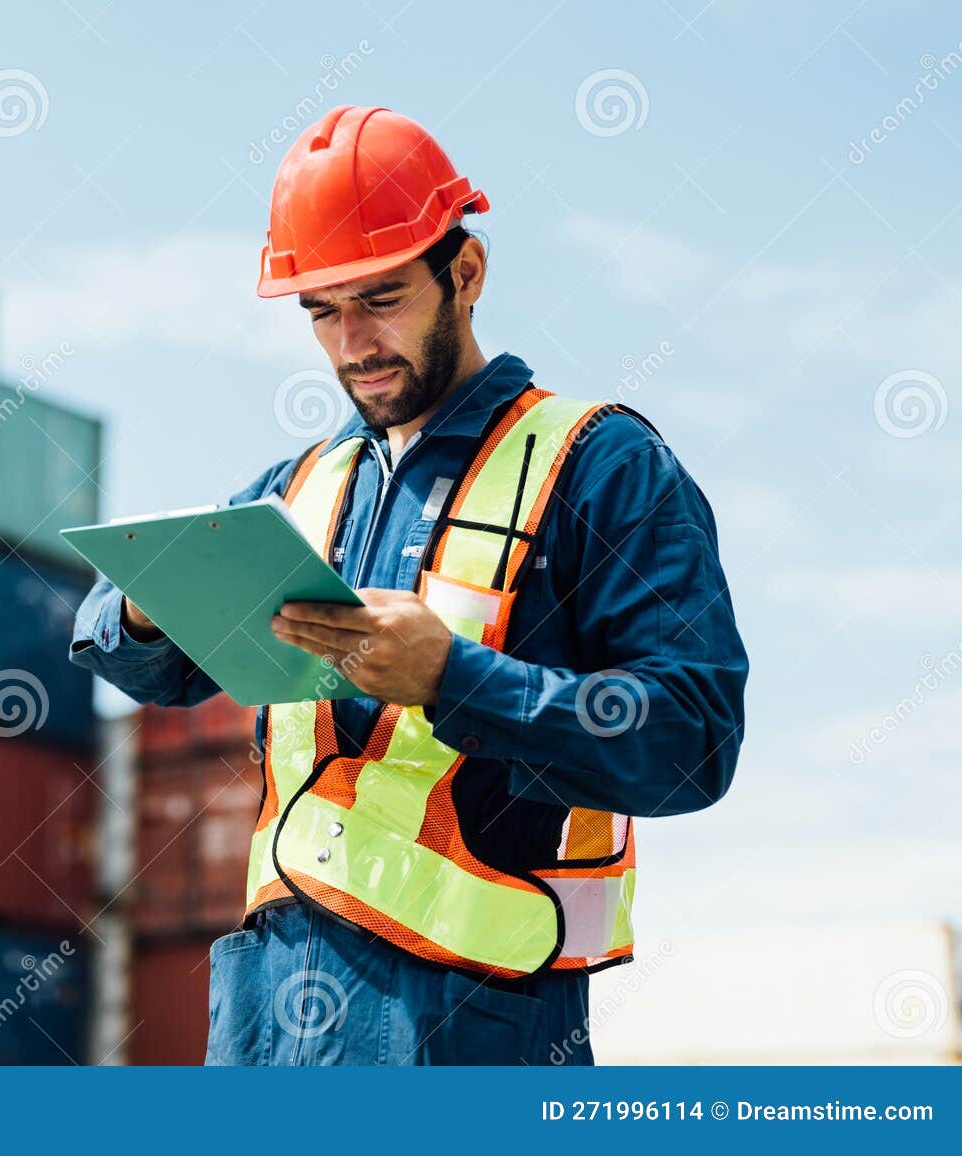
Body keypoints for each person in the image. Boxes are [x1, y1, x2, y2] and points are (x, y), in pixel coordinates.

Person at [68, 105, 747, 1066]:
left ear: (464, 275)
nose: (351, 345)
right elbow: (126, 660)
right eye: (320, 311)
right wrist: (144, 600)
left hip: (475, 1037)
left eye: (380, 298)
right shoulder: (296, 493)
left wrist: (454, 679)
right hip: (266, 1033)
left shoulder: (602, 468)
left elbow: (695, 738)